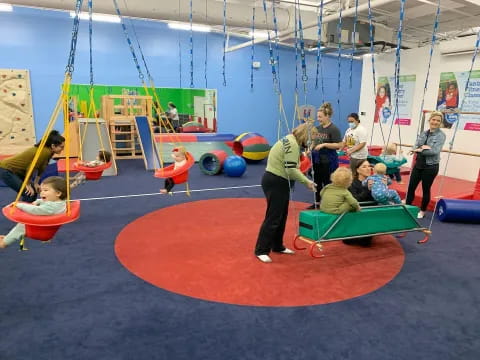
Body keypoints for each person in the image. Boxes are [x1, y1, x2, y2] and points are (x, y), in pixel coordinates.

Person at [254, 123, 317, 263]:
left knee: (281, 215)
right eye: (310, 138)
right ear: (305, 135)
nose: (310, 142)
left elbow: (291, 161)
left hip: (275, 179)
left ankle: (277, 245)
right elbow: (290, 169)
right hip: (276, 181)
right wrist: (307, 182)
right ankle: (261, 249)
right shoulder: (293, 144)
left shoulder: (289, 139)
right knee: (274, 216)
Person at [0, 176, 68, 249]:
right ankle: (9, 237)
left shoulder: (51, 208)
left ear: (58, 193)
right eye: (41, 190)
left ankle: (4, 243)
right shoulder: (60, 202)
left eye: (45, 190)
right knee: (18, 229)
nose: (41, 193)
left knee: (21, 226)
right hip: (47, 228)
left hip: (39, 230)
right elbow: (47, 202)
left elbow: (34, 210)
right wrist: (38, 201)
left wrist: (19, 205)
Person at [0, 130, 65, 202]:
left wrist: (36, 183)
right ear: (53, 146)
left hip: (15, 171)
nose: (63, 149)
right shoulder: (44, 152)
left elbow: (42, 167)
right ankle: (24, 210)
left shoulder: (48, 151)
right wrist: (27, 184)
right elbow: (31, 168)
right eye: (61, 147)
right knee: (29, 194)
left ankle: (28, 208)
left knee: (33, 191)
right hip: (6, 170)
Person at [405, 111, 446, 219]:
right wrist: (420, 148)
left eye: (438, 121)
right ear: (430, 120)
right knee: (411, 187)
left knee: (426, 189)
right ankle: (407, 207)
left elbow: (434, 151)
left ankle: (422, 211)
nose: (435, 122)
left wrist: (419, 150)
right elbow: (416, 145)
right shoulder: (424, 133)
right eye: (433, 119)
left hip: (431, 167)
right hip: (418, 165)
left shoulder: (441, 135)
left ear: (440, 123)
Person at [309, 102, 343, 209]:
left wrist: (325, 144)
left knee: (328, 183)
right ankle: (317, 203)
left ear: (327, 116)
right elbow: (314, 142)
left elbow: (339, 145)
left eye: (320, 117)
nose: (318, 119)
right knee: (317, 182)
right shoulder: (317, 128)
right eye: (317, 116)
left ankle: (328, 203)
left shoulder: (334, 129)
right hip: (317, 160)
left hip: (329, 161)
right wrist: (309, 149)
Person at [342, 113, 368, 177]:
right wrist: (340, 149)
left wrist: (351, 150)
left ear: (357, 120)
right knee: (353, 172)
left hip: (360, 157)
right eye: (349, 122)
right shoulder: (349, 130)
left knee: (360, 174)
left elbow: (362, 143)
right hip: (352, 156)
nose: (350, 123)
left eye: (352, 121)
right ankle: (354, 185)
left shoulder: (361, 130)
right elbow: (344, 141)